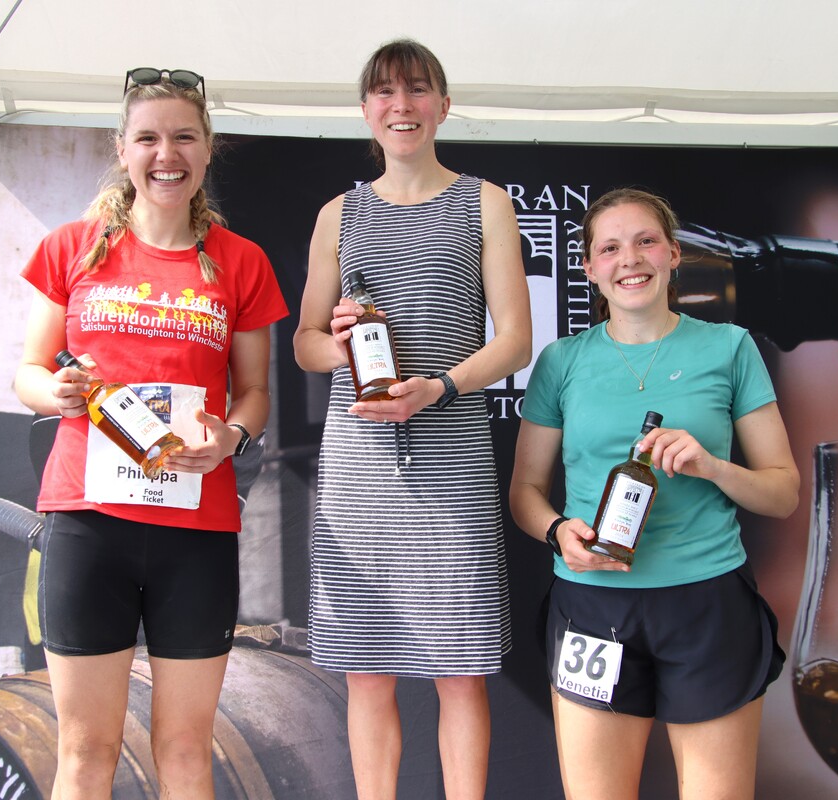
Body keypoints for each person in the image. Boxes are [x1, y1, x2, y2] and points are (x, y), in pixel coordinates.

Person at [13, 67, 288, 798]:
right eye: (148, 137)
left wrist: (230, 436)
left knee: (186, 750)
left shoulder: (242, 261)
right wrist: (59, 393)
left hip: (195, 527)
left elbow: (255, 391)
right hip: (86, 521)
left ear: (207, 149)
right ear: (122, 148)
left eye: (184, 137)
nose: (166, 153)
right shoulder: (72, 246)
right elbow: (28, 375)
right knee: (86, 750)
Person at [292, 39, 532, 800]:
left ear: (443, 106)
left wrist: (438, 387)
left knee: (460, 671)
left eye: (418, 90)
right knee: (367, 670)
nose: (403, 106)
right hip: (359, 466)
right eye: (386, 93)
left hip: (451, 452)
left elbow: (516, 341)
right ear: (366, 111)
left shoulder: (483, 201)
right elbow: (301, 344)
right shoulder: (339, 214)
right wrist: (340, 345)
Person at [508, 188, 799, 800]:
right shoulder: (561, 362)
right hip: (591, 607)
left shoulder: (729, 347)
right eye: (610, 247)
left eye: (644, 241)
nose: (629, 259)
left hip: (708, 605)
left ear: (672, 255)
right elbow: (526, 493)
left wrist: (712, 466)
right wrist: (559, 531)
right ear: (589, 269)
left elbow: (783, 495)